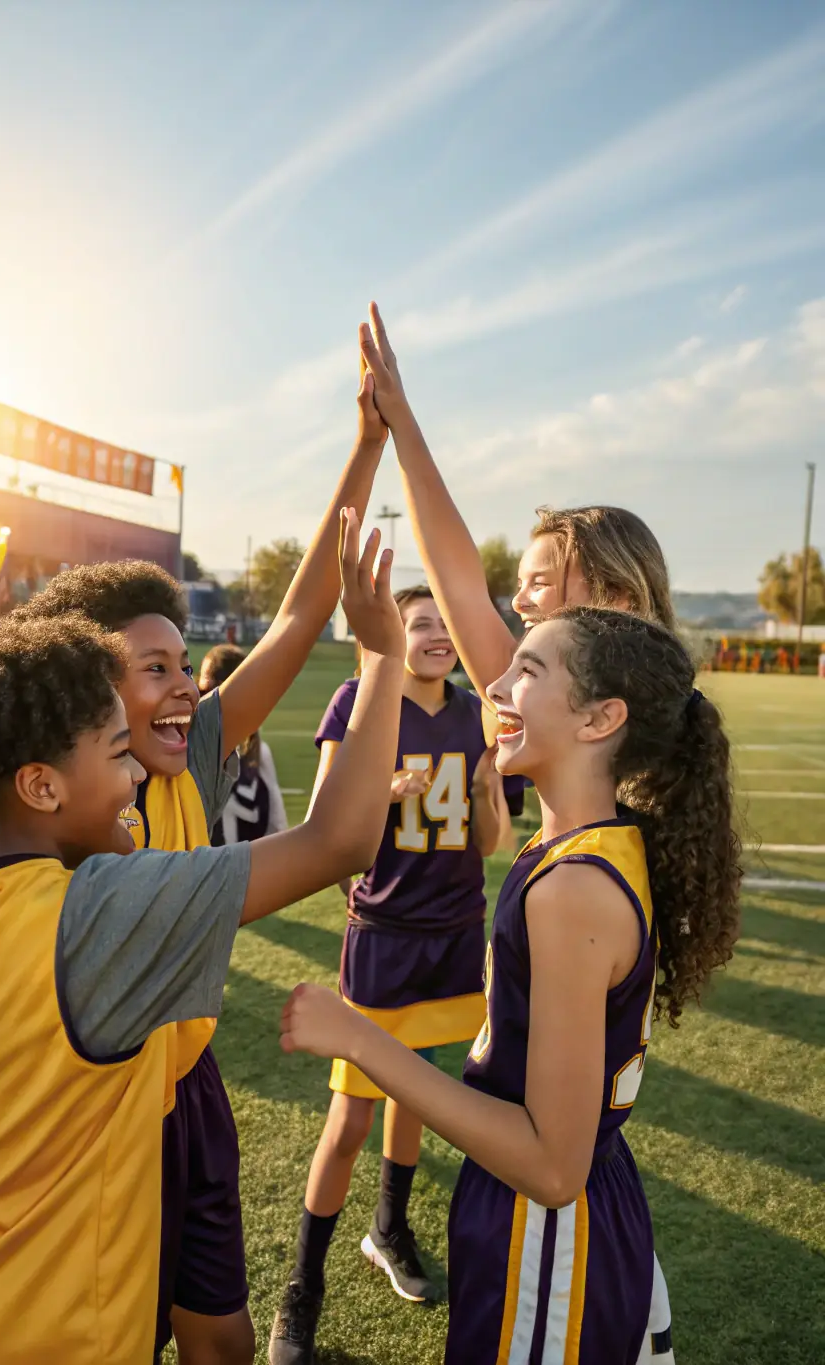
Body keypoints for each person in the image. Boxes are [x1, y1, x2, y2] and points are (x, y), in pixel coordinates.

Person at [0, 510, 408, 1365]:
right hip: (35, 1325)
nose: (133, 782)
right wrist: (382, 657)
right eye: (118, 754)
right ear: (41, 783)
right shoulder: (94, 915)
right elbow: (340, 840)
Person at [15, 381, 388, 1365]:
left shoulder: (196, 752)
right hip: (104, 1116)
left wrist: (365, 444)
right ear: (89, 693)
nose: (186, 686)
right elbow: (338, 839)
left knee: (221, 1339)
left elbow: (298, 616)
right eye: (155, 669)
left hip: (190, 1088)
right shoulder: (62, 835)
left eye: (186, 664)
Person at [280, 607, 742, 1365]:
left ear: (600, 719)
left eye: (527, 670)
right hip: (554, 1212)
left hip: (547, 1233)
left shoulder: (573, 890)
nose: (493, 686)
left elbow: (552, 1168)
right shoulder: (586, 844)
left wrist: (359, 1037)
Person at [356, 302, 684, 1362]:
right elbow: (457, 577)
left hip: (557, 1202)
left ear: (614, 603)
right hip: (574, 1176)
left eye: (538, 587)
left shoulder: (598, 778)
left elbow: (552, 1159)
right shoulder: (595, 742)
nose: (510, 607)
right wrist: (402, 427)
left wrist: (404, 426)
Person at [268, 584, 525, 1364]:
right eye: (420, 623)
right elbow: (324, 819)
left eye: (446, 622)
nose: (438, 634)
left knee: (416, 1089)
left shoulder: (479, 712)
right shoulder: (359, 698)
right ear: (392, 633)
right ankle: (302, 1287)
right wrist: (382, 790)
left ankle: (389, 1226)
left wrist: (483, 793)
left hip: (454, 937)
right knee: (350, 1119)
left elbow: (490, 840)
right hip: (383, 938)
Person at [197, 643, 289, 845]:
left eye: (203, 692)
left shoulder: (190, 752)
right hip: (250, 863)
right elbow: (277, 828)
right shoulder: (259, 753)